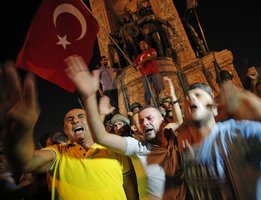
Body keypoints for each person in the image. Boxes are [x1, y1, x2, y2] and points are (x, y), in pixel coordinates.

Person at [1, 64, 138, 200]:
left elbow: (130, 189)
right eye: (70, 119)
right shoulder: (58, 153)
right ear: (65, 129)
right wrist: (21, 132)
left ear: (91, 122)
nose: (75, 121)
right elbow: (25, 162)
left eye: (81, 116)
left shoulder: (115, 150)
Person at [65, 55, 186, 199]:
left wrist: (174, 98)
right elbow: (101, 137)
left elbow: (179, 122)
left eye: (149, 118)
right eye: (141, 121)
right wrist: (89, 97)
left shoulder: (172, 138)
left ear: (162, 121)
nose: (145, 123)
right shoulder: (137, 147)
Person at [178, 81, 261, 200]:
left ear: (214, 108)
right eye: (187, 97)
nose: (191, 97)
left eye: (198, 95)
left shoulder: (236, 132)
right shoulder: (189, 152)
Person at [134, 40, 164, 106]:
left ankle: (163, 104)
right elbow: (134, 65)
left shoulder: (151, 50)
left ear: (147, 44)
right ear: (140, 47)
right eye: (141, 44)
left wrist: (143, 61)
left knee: (160, 89)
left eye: (144, 43)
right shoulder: (139, 56)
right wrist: (136, 66)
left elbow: (154, 55)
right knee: (147, 92)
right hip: (144, 75)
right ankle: (149, 106)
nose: (143, 45)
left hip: (154, 72)